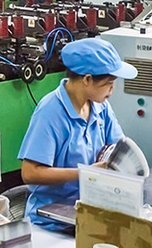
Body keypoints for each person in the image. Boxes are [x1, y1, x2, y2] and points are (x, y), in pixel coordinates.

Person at [17, 37, 131, 225]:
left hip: (89, 211)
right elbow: (30, 173)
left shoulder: (101, 108)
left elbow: (120, 148)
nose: (112, 91)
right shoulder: (51, 112)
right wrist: (85, 173)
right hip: (51, 222)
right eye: (109, 84)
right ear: (87, 79)